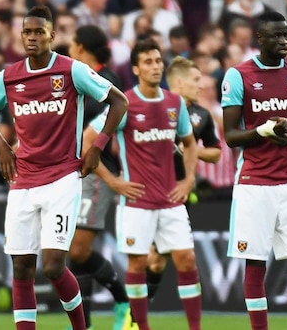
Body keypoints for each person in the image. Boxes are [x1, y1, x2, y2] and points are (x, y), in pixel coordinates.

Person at [0, 6, 128, 330]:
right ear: (21, 35)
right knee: (20, 267)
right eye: (27, 32)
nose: (32, 37)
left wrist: (98, 146)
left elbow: (120, 102)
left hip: (62, 178)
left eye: (39, 32)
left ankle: (80, 327)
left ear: (51, 35)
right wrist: (2, 147)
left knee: (52, 266)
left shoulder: (72, 71)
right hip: (22, 181)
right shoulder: (8, 76)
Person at [85, 40, 203, 330]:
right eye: (147, 62)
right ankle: (141, 327)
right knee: (137, 266)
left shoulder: (175, 103)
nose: (154, 66)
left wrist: (188, 179)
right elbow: (88, 141)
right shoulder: (124, 104)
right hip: (136, 202)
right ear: (136, 68)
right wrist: (114, 181)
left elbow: (189, 144)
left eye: (157, 60)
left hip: (171, 199)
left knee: (187, 260)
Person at [220, 11, 287, 330]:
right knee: (256, 263)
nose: (284, 41)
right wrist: (262, 131)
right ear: (259, 39)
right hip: (254, 183)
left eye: (286, 35)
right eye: (276, 36)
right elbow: (231, 136)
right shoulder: (238, 75)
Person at [64, 25, 132, 330]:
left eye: (72, 46)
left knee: (78, 250)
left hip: (96, 172)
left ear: (81, 47)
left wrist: (111, 178)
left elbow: (94, 136)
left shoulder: (107, 82)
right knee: (73, 252)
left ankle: (123, 300)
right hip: (73, 171)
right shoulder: (82, 78)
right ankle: (85, 324)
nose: (69, 52)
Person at [145, 56, 222, 300]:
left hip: (180, 192)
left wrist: (190, 149)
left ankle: (138, 310)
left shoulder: (202, 115)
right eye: (196, 80)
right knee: (144, 258)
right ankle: (132, 315)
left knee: (158, 261)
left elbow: (216, 152)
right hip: (149, 190)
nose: (200, 86)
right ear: (179, 82)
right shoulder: (153, 106)